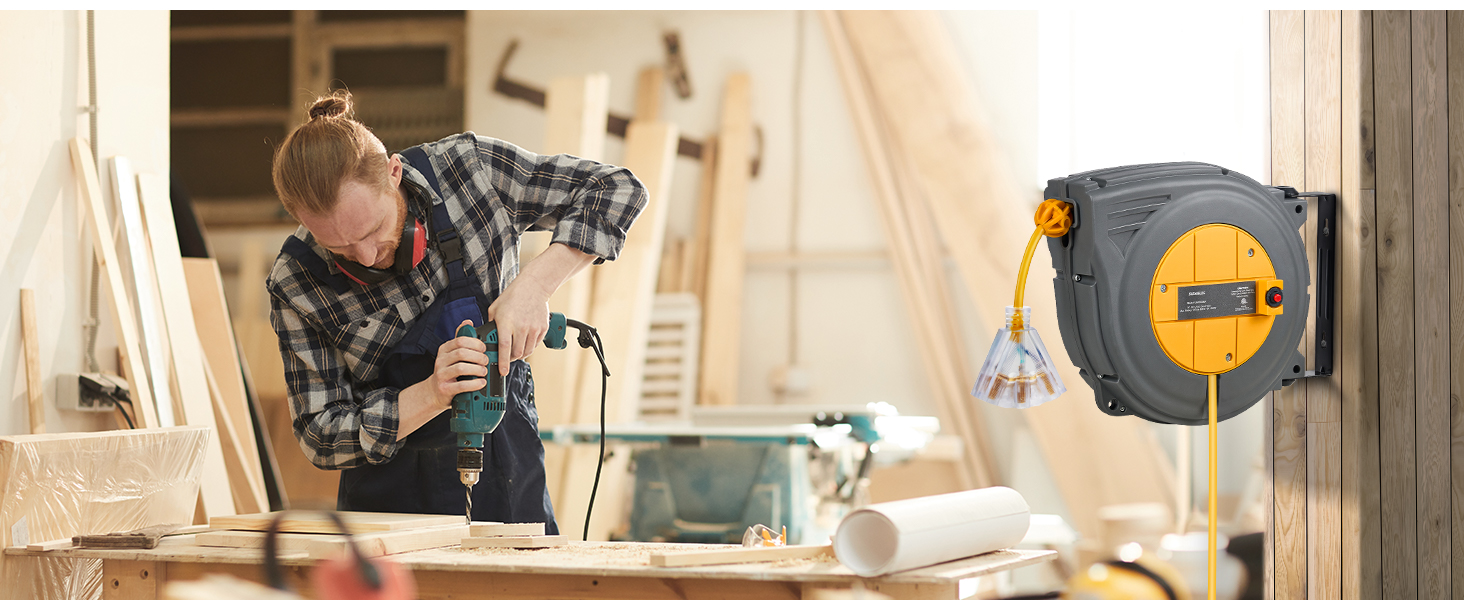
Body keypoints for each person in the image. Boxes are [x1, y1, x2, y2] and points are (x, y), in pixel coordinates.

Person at [265, 91, 646, 533]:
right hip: (389, 511)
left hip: (507, 466)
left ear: (394, 173)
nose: (367, 257)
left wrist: (534, 286)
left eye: (373, 230)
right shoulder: (296, 280)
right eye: (340, 247)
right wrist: (430, 394)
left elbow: (617, 189)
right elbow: (320, 433)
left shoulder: (469, 171)